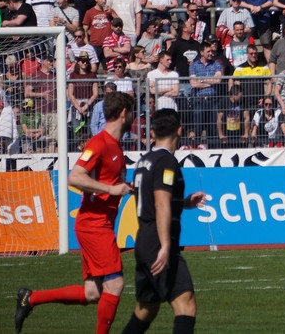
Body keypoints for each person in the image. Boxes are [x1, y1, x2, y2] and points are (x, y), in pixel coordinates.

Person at [16, 91, 135, 334]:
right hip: (94, 225)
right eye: (132, 112)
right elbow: (75, 176)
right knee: (115, 284)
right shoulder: (100, 143)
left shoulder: (114, 146)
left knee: (93, 292)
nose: (134, 117)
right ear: (124, 113)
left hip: (98, 224)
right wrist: (111, 189)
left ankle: (31, 298)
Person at [120, 109, 206, 334]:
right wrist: (166, 246)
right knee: (185, 304)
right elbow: (160, 203)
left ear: (153, 131)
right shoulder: (166, 162)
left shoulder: (144, 160)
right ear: (179, 131)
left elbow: (152, 198)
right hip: (158, 243)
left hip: (144, 241)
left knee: (146, 309)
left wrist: (184, 202)